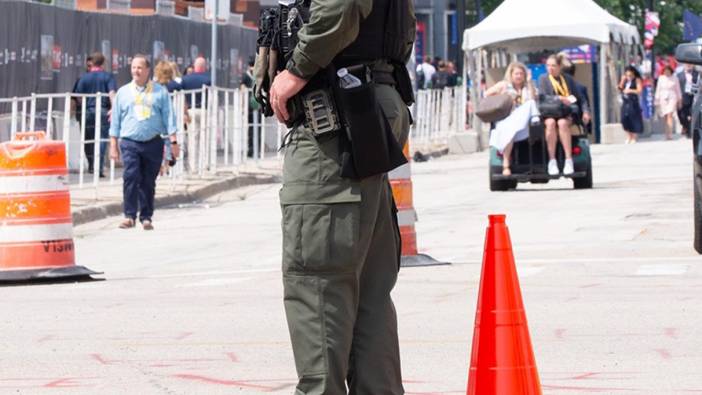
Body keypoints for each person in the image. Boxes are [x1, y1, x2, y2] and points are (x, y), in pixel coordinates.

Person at [268, 0, 415, 392]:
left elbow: (342, 4)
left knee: (317, 279)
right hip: (362, 104)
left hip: (333, 116)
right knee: (368, 287)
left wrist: (297, 69)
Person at [109, 55, 178, 230]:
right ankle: (129, 215)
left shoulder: (160, 92)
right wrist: (113, 144)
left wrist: (174, 142)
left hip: (153, 142)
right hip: (130, 142)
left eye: (140, 68)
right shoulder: (123, 93)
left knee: (148, 180)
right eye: (133, 67)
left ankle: (146, 216)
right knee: (130, 177)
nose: (136, 71)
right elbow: (116, 120)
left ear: (148, 70)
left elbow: (169, 117)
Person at [538, 54, 590, 176]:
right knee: (550, 123)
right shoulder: (543, 79)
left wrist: (585, 111)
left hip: (565, 112)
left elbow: (577, 98)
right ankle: (552, 160)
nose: (550, 68)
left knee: (562, 123)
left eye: (553, 66)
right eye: (548, 65)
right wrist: (559, 98)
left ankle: (568, 159)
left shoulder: (567, 79)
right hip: (549, 112)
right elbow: (542, 97)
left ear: (560, 67)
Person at [486, 62, 540, 176]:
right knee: (509, 130)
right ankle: (506, 165)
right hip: (508, 118)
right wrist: (503, 97)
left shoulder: (528, 86)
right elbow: (486, 94)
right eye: (516, 74)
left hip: (525, 120)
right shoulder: (504, 85)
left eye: (521, 73)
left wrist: (529, 83)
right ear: (511, 75)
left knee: (530, 102)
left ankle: (535, 120)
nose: (519, 76)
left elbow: (534, 99)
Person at [73, 52, 116, 177]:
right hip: (103, 111)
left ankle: (92, 164)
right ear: (102, 63)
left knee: (89, 139)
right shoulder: (107, 77)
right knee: (101, 139)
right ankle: (99, 167)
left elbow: (78, 96)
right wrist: (113, 108)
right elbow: (112, 93)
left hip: (88, 112)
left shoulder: (84, 78)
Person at [180, 56, 211, 172]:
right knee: (205, 138)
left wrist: (184, 112)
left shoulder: (185, 79)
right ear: (204, 67)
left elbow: (182, 96)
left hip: (190, 110)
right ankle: (205, 164)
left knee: (193, 138)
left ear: (194, 66)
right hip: (204, 110)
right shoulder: (208, 79)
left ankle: (193, 166)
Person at [655, 65, 682, 140]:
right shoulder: (661, 78)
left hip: (672, 97)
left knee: (670, 114)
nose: (666, 72)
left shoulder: (675, 78)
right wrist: (656, 100)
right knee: (665, 116)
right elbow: (658, 89)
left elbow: (678, 89)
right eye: (665, 71)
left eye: (668, 71)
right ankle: (666, 133)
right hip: (663, 97)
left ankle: (670, 134)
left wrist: (679, 100)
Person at [618, 65, 644, 144]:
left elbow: (639, 91)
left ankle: (633, 137)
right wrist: (622, 80)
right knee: (624, 118)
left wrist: (630, 90)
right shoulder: (625, 81)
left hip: (633, 101)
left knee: (633, 118)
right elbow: (620, 88)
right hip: (625, 101)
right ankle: (628, 136)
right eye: (627, 75)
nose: (628, 77)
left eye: (630, 75)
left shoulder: (637, 80)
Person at [677, 63, 700, 138]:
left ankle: (690, 131)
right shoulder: (679, 74)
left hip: (694, 96)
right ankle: (685, 126)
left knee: (693, 114)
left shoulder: (697, 73)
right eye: (687, 64)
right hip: (684, 95)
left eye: (690, 64)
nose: (688, 65)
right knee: (682, 115)